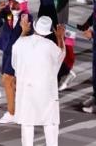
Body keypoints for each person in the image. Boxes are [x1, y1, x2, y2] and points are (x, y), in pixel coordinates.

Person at [23, 0, 76, 89]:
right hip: (46, 9)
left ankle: (63, 73)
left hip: (54, 13)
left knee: (53, 44)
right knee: (47, 43)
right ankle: (59, 72)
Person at [12, 16, 66, 146]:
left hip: (27, 90)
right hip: (46, 92)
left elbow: (15, 63)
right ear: (49, 31)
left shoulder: (20, 43)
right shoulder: (51, 46)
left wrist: (24, 30)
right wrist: (60, 37)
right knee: (50, 123)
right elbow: (61, 55)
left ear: (34, 27)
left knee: (27, 123)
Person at [0, 0, 32, 124]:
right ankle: (22, 108)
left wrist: (25, 29)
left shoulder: (27, 18)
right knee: (14, 83)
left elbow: (27, 37)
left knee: (7, 80)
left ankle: (12, 113)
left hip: (17, 53)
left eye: (17, 5)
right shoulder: (8, 13)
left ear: (23, 6)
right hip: (7, 50)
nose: (13, 7)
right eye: (13, 4)